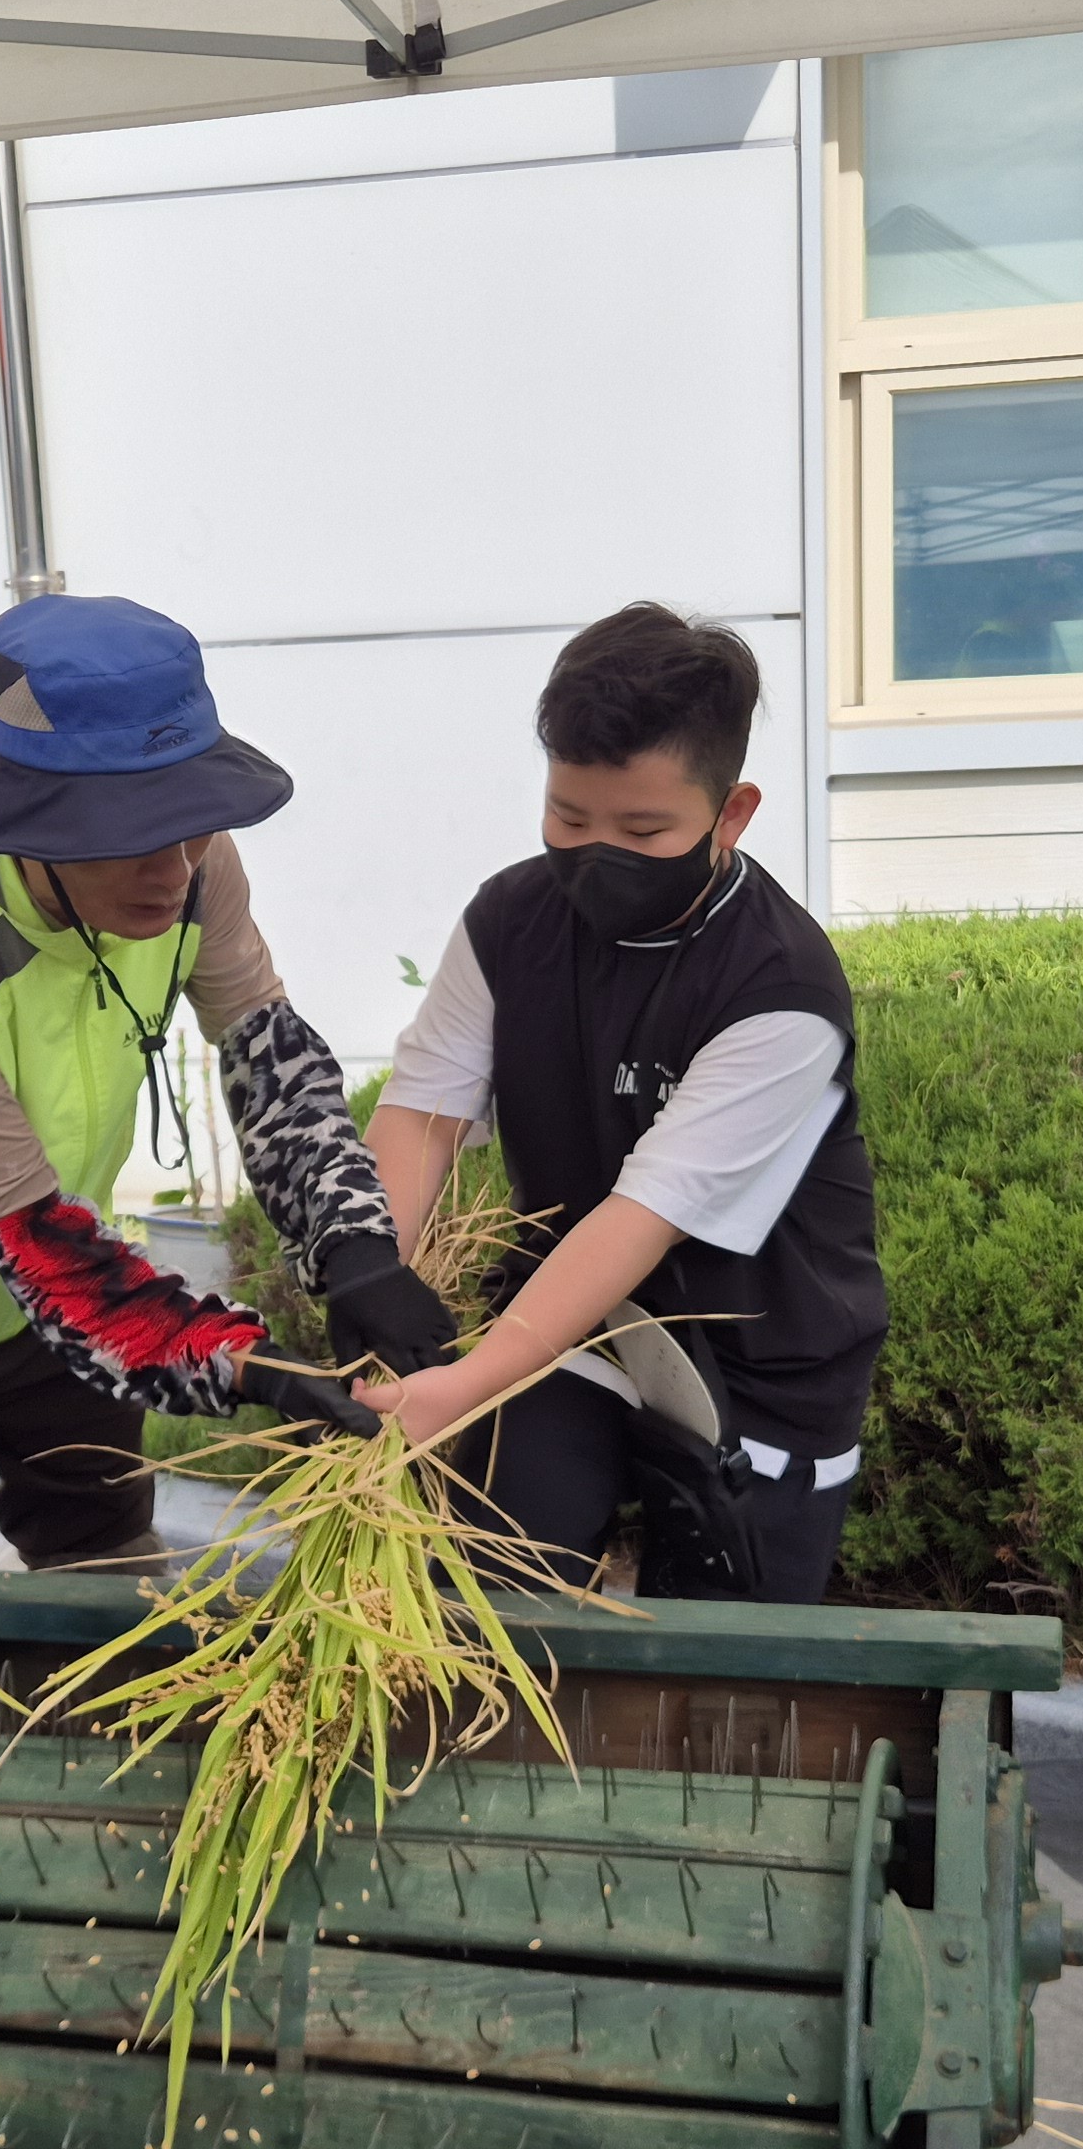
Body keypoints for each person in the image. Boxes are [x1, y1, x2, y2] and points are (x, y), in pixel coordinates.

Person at [0, 591, 441, 1756]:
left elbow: (266, 1054)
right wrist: (259, 1373)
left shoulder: (191, 868)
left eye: (190, 819)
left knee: (112, 1570)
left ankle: (136, 1799)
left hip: (66, 1276)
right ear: (25, 818)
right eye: (137, 830)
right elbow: (53, 1265)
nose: (178, 865)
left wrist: (356, 1248)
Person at [369, 607, 884, 1606]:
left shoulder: (781, 990)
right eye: (568, 818)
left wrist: (470, 1380)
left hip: (766, 1354)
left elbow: (643, 1214)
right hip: (577, 1323)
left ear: (731, 814)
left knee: (724, 1672)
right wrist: (372, 1281)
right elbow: (423, 1115)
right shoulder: (509, 922)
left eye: (643, 830)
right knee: (491, 1587)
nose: (594, 852)